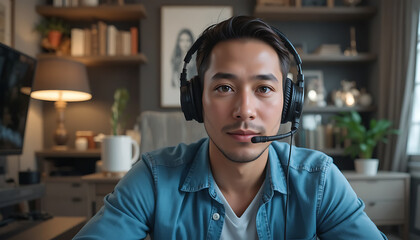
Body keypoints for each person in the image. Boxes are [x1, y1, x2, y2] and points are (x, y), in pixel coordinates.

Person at [74, 16, 387, 240]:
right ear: (196, 100)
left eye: (264, 89)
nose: (244, 111)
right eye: (224, 87)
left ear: (290, 103)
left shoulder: (319, 180)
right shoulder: (154, 178)